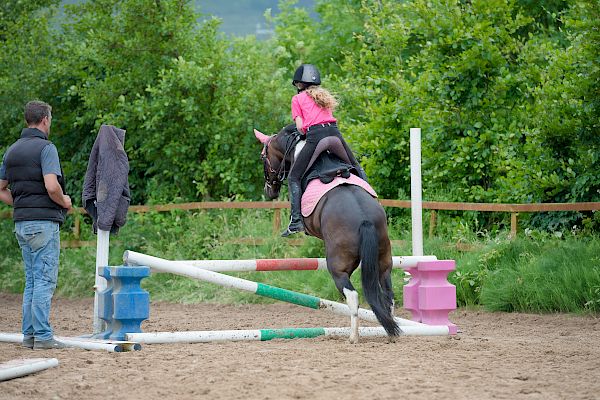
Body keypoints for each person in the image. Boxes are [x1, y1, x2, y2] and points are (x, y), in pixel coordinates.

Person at [0, 101, 72, 349]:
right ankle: (42, 336)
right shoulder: (46, 148)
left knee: (31, 280)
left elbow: (0, 189)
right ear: (45, 120)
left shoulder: (11, 151)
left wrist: (20, 203)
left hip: (21, 224)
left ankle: (29, 335)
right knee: (44, 281)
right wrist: (64, 202)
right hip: (43, 224)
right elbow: (51, 185)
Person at [282, 64, 367, 237]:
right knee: (357, 167)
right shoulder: (323, 95)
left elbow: (300, 129)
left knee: (294, 177)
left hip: (317, 137)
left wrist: (304, 129)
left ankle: (296, 221)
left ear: (299, 84)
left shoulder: (297, 99)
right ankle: (373, 202)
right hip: (335, 134)